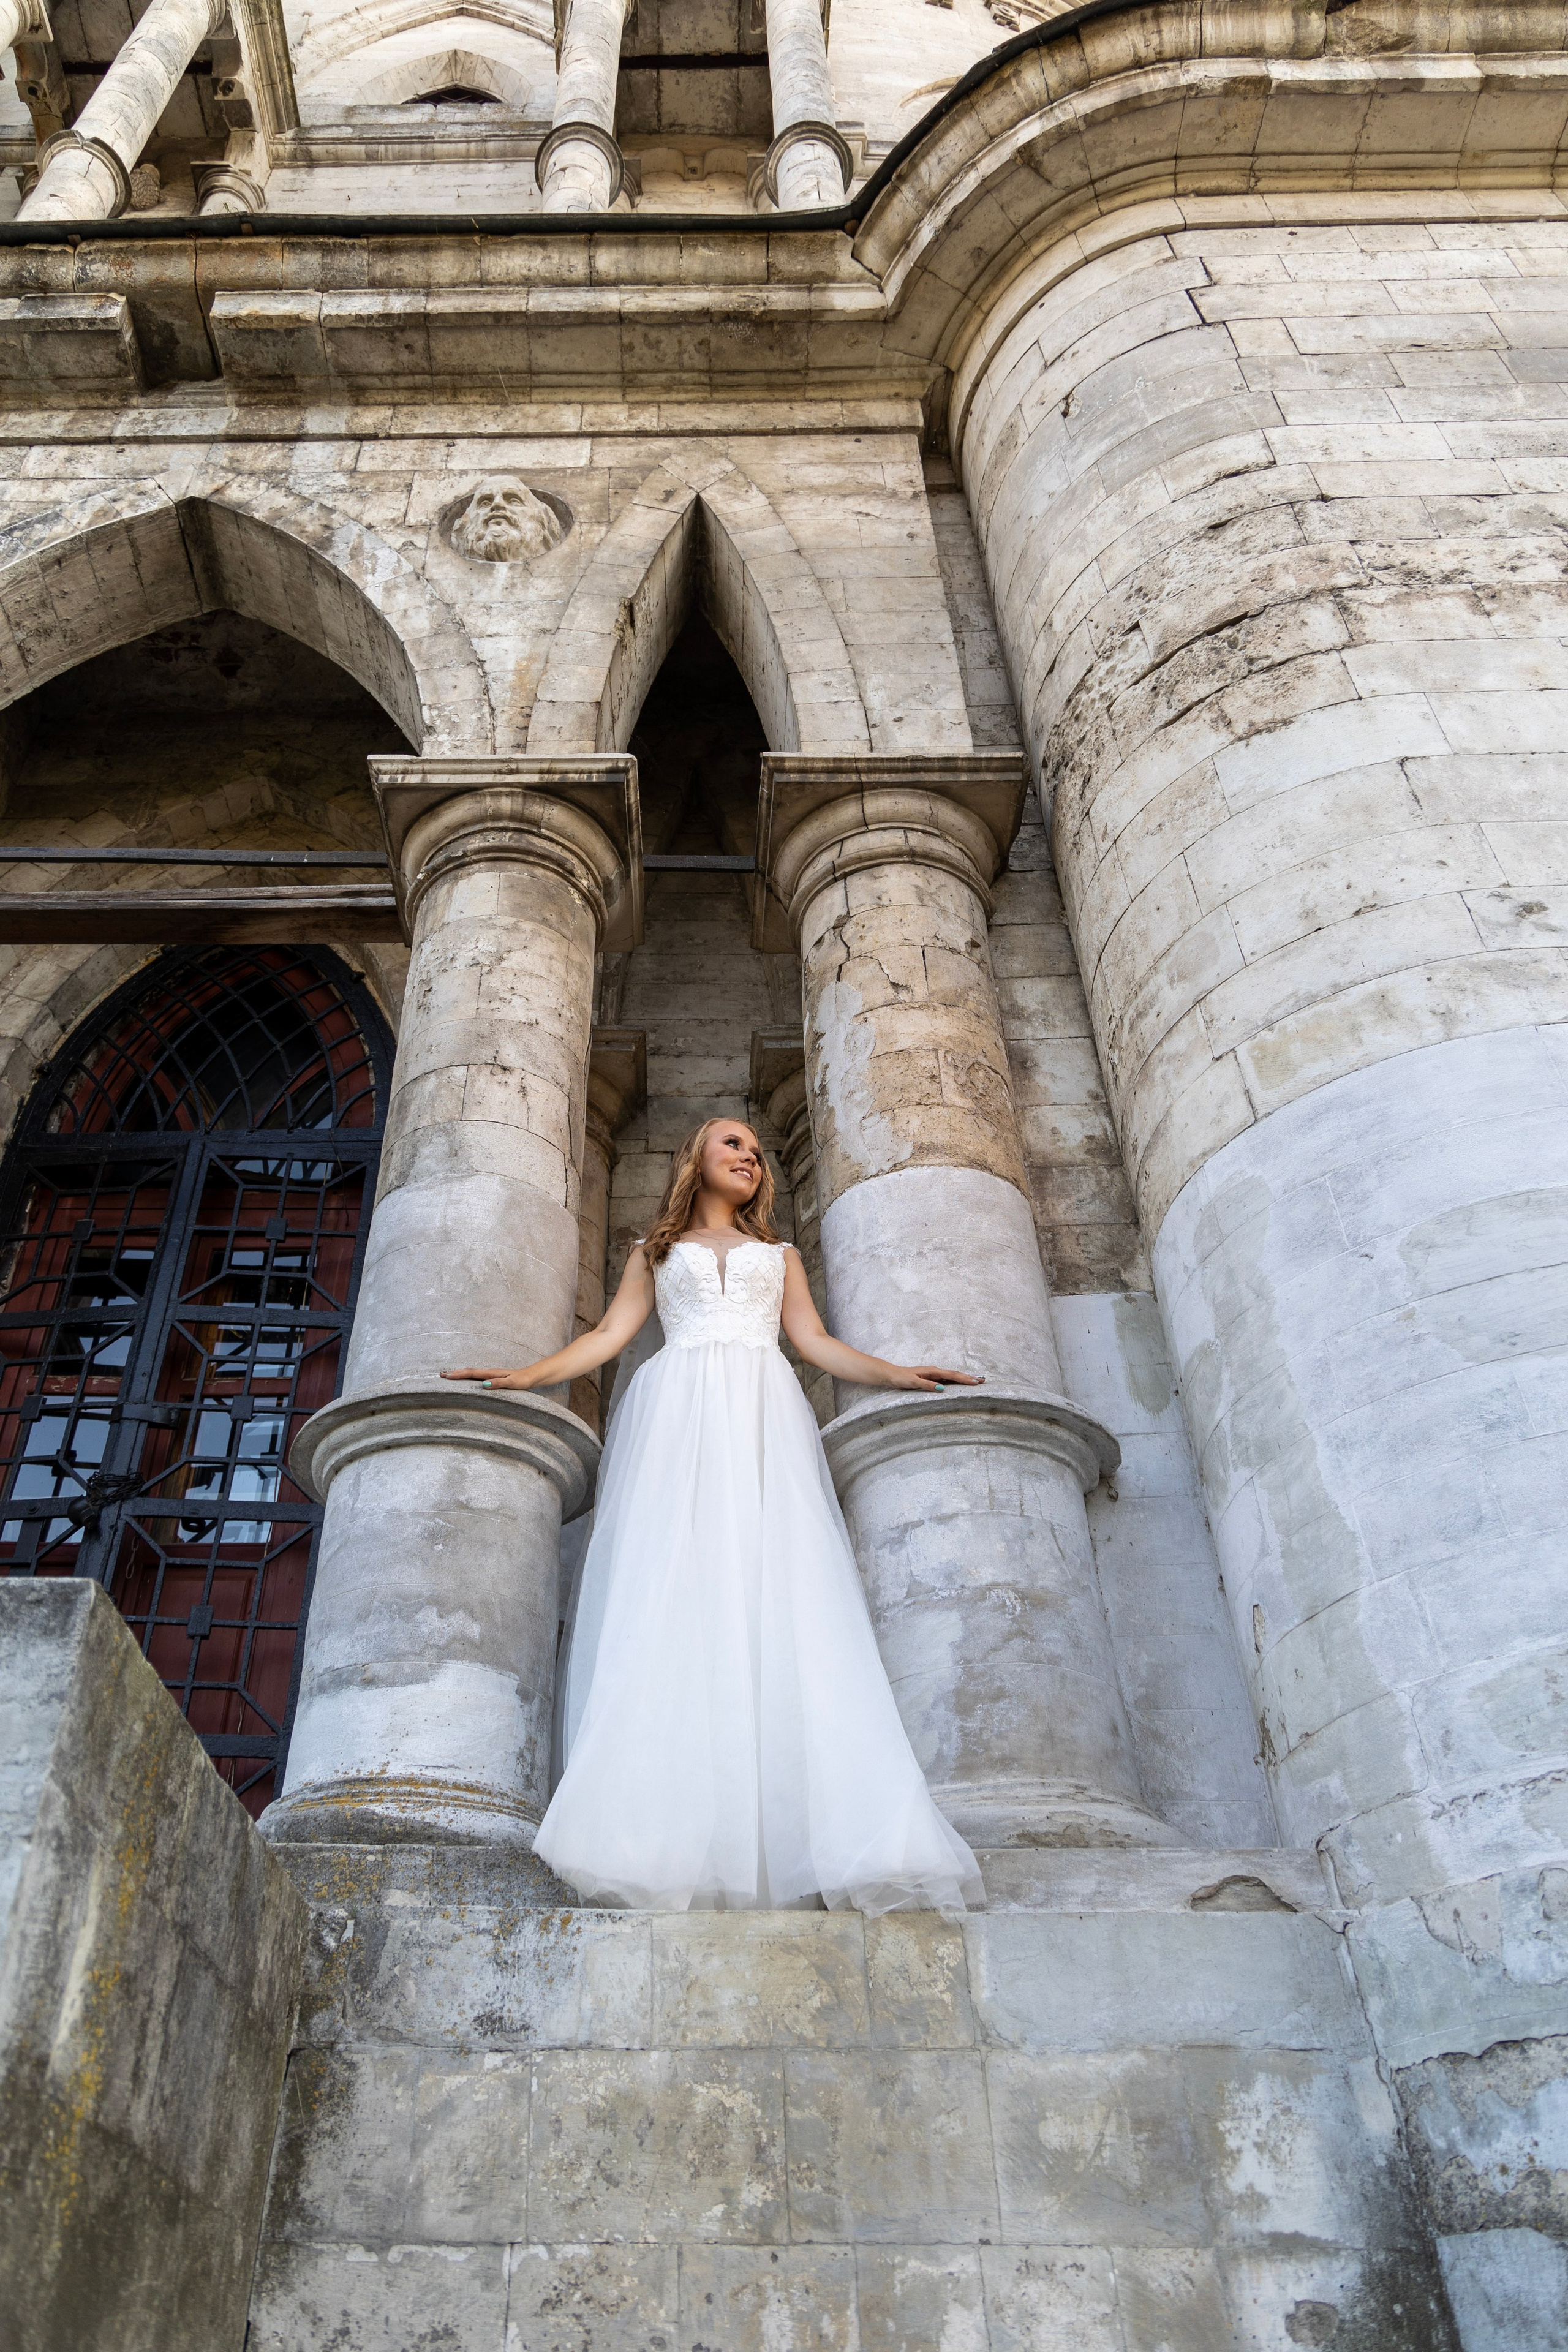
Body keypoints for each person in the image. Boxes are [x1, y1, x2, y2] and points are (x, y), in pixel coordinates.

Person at [443, 1115, 986, 1914]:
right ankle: (662, 1833)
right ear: (694, 1156)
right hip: (678, 1416)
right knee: (674, 1596)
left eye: (758, 1154)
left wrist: (897, 1374)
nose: (750, 1159)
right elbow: (607, 1337)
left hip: (763, 1414)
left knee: (782, 1595)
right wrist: (526, 1376)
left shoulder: (781, 1257)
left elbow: (815, 1343)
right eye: (734, 1145)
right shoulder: (652, 1253)